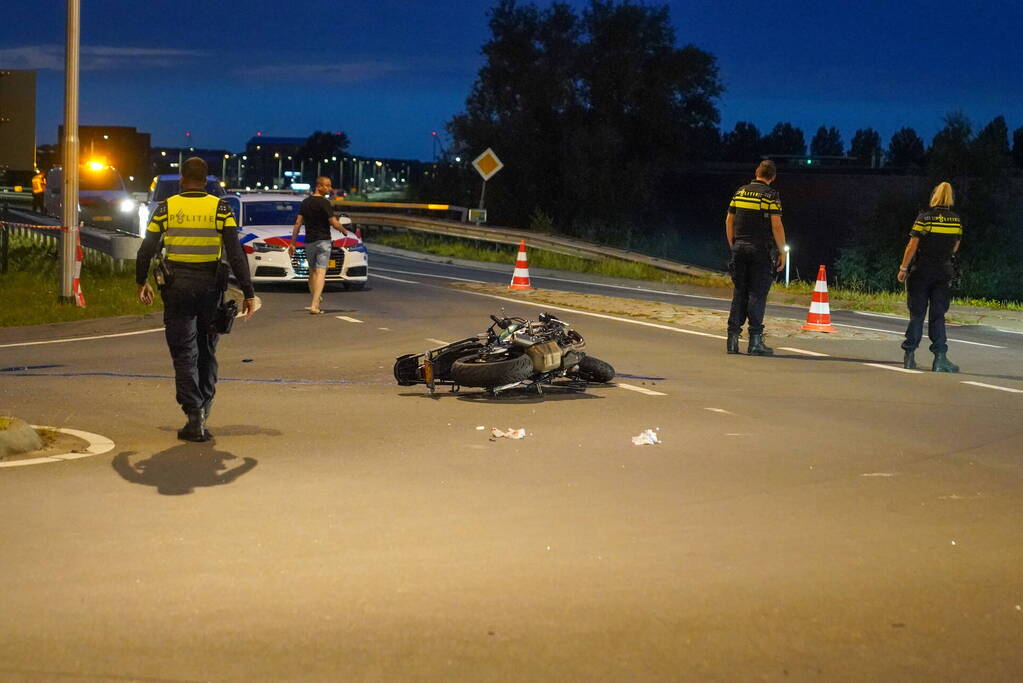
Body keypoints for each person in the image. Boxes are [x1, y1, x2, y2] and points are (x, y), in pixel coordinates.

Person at [135, 157, 257, 442]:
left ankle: (194, 415)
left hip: (176, 287)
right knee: (206, 349)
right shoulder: (221, 209)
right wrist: (248, 292)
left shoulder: (167, 208)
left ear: (181, 179)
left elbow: (146, 249)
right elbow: (235, 253)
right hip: (211, 288)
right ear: (206, 181)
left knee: (183, 352)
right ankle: (205, 408)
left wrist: (141, 282)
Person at [896, 181, 962, 372]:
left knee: (917, 314)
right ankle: (940, 358)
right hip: (943, 271)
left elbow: (912, 245)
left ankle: (909, 355)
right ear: (951, 197)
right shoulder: (955, 221)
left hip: (922, 270)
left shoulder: (925, 218)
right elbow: (955, 247)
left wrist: (903, 268)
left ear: (934, 196)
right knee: (938, 315)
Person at [725, 160, 786, 355]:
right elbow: (776, 225)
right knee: (757, 294)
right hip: (759, 250)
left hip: (739, 247)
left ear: (756, 173)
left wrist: (733, 243)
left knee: (739, 292)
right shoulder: (770, 195)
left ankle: (732, 340)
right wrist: (782, 251)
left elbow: (729, 220)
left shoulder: (740, 192)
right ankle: (755, 342)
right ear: (773, 177)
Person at [288, 176, 350, 314]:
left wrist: (292, 243)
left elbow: (298, 223)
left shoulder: (305, 202)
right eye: (327, 186)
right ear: (319, 186)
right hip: (323, 241)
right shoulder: (324, 203)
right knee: (321, 272)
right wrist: (344, 230)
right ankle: (315, 305)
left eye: (330, 185)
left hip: (309, 241)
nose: (330, 188)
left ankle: (315, 298)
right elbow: (334, 223)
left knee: (312, 272)